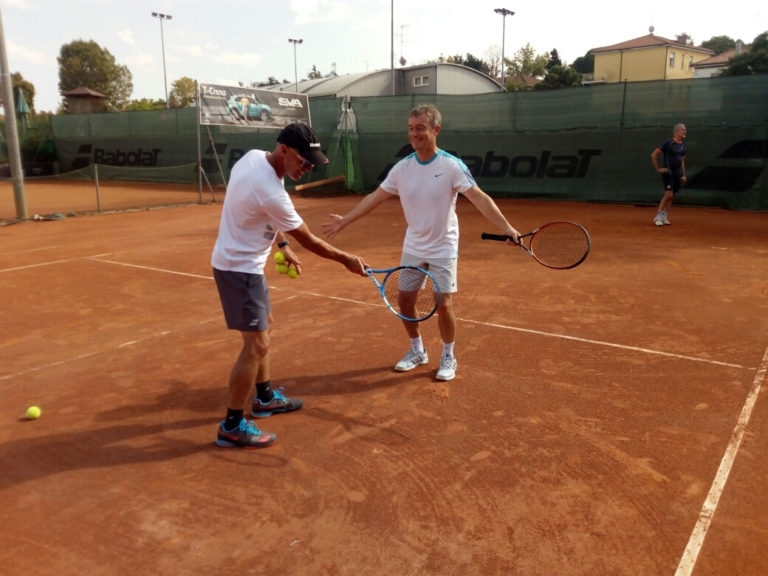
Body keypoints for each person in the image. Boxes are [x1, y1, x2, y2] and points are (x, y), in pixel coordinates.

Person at [322, 104, 521, 382]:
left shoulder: (451, 166)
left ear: (435, 130)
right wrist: (346, 219)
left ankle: (448, 355)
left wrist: (507, 228)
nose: (414, 134)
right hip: (413, 245)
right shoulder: (402, 169)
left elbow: (479, 198)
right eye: (410, 128)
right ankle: (417, 350)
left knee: (444, 305)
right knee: (404, 301)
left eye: (420, 128)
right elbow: (374, 198)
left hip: (443, 245)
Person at [211, 123, 368, 449]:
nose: (307, 168)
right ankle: (232, 424)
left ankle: (265, 398)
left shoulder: (253, 158)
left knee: (264, 330)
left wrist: (281, 246)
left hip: (247, 267)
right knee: (256, 346)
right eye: (304, 161)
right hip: (238, 269)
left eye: (312, 164)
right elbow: (310, 240)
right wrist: (347, 259)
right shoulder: (271, 190)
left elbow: (261, 211)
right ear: (283, 149)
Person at [651, 124, 687, 226]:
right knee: (668, 195)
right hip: (668, 173)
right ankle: (658, 217)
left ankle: (664, 217)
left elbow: (682, 161)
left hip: (677, 174)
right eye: (683, 130)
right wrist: (658, 168)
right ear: (677, 131)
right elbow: (654, 154)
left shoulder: (683, 146)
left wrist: (683, 174)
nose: (685, 132)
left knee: (672, 196)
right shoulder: (668, 143)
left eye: (685, 130)